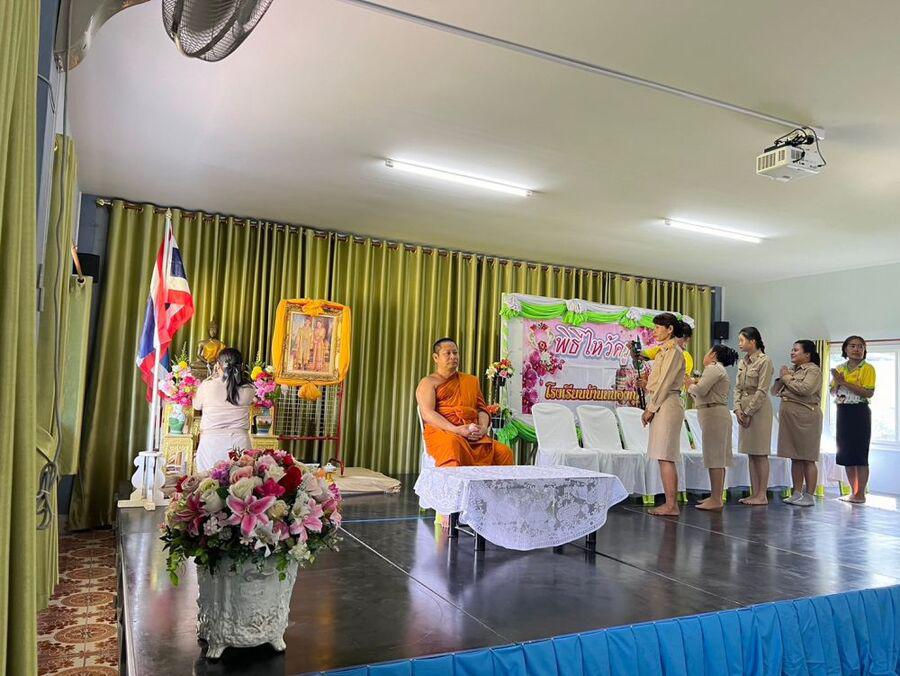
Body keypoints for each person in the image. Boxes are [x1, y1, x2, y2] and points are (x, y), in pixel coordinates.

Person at [416, 338, 514, 468]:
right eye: (448, 353)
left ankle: (496, 483)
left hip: (472, 435)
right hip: (444, 431)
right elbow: (427, 413)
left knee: (504, 452)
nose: (453, 356)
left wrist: (483, 428)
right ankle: (453, 482)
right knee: (453, 445)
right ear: (436, 357)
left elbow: (481, 409)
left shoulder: (471, 381)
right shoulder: (428, 383)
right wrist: (456, 429)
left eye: (455, 353)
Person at [640, 313, 686, 516]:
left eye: (658, 327)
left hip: (667, 405)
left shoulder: (674, 352)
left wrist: (650, 408)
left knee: (665, 455)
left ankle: (671, 505)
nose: (654, 331)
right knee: (662, 455)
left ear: (670, 329)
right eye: (654, 327)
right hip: (661, 403)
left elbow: (665, 384)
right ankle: (670, 503)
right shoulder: (662, 351)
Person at [686, 344, 739, 511]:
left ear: (714, 354)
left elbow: (701, 390)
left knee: (715, 458)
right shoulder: (717, 369)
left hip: (714, 415)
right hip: (713, 414)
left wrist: (689, 384)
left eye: (708, 351)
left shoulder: (713, 368)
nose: (706, 354)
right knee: (715, 457)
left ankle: (716, 499)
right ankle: (715, 495)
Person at [772, 340, 823, 507]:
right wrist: (783, 377)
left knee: (808, 457)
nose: (792, 352)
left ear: (807, 354)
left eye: (796, 350)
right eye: (792, 350)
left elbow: (805, 389)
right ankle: (796, 492)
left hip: (806, 419)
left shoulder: (813, 370)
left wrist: (787, 377)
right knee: (795, 457)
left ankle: (809, 495)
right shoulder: (792, 370)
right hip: (790, 419)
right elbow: (774, 391)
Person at [193, 348, 255, 473]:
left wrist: (211, 377)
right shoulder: (249, 389)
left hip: (211, 444)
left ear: (217, 366)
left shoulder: (206, 386)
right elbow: (232, 385)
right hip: (239, 443)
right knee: (239, 482)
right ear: (241, 366)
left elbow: (196, 406)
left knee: (209, 482)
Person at [831, 335, 876, 503]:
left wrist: (844, 382)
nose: (857, 349)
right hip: (842, 410)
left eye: (860, 346)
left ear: (864, 350)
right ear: (845, 349)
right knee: (846, 454)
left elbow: (868, 392)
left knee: (860, 454)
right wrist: (837, 382)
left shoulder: (868, 368)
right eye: (853, 346)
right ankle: (853, 492)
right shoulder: (840, 368)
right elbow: (833, 392)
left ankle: (861, 494)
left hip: (859, 411)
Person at [734, 327, 774, 505]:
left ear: (753, 341)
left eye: (742, 340)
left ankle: (762, 494)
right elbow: (737, 388)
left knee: (760, 453)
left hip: (759, 409)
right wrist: (737, 409)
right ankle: (754, 492)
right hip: (744, 407)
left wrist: (748, 411)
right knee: (750, 453)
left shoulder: (765, 361)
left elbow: (762, 390)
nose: (739, 344)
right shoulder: (743, 362)